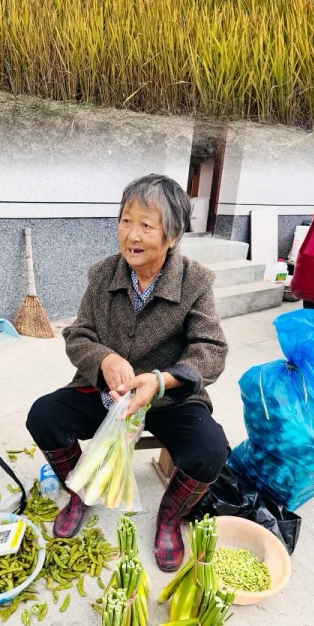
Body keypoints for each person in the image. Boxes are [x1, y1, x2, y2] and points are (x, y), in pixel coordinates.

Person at [25, 174, 230, 572]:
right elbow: (79, 333)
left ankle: (169, 519)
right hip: (107, 395)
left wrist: (161, 379)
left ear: (172, 236)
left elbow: (211, 350)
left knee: (210, 450)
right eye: (125, 221)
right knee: (44, 415)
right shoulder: (103, 274)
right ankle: (80, 492)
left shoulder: (196, 281)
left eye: (146, 225)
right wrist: (103, 359)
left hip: (168, 398)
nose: (131, 235)